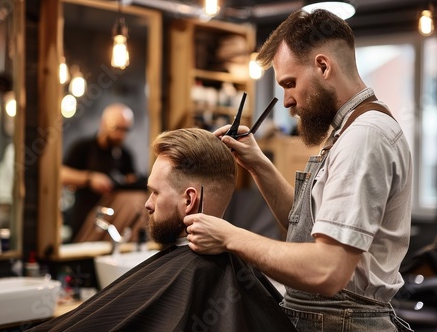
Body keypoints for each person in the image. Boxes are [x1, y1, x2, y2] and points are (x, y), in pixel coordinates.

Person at [184, 9, 414, 331]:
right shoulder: (347, 131)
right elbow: (307, 227)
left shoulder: (364, 137)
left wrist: (229, 236)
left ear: (323, 66)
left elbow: (327, 270)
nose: (287, 101)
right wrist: (258, 164)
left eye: (289, 83)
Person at [28, 128, 295, 332]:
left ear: (190, 200)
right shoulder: (219, 273)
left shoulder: (198, 272)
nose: (147, 203)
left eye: (155, 192)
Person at [61, 103, 147, 243]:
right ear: (103, 123)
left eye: (125, 130)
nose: (120, 135)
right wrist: (90, 179)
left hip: (113, 220)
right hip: (86, 217)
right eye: (116, 128)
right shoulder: (83, 148)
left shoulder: (125, 154)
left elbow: (131, 179)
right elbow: (61, 174)